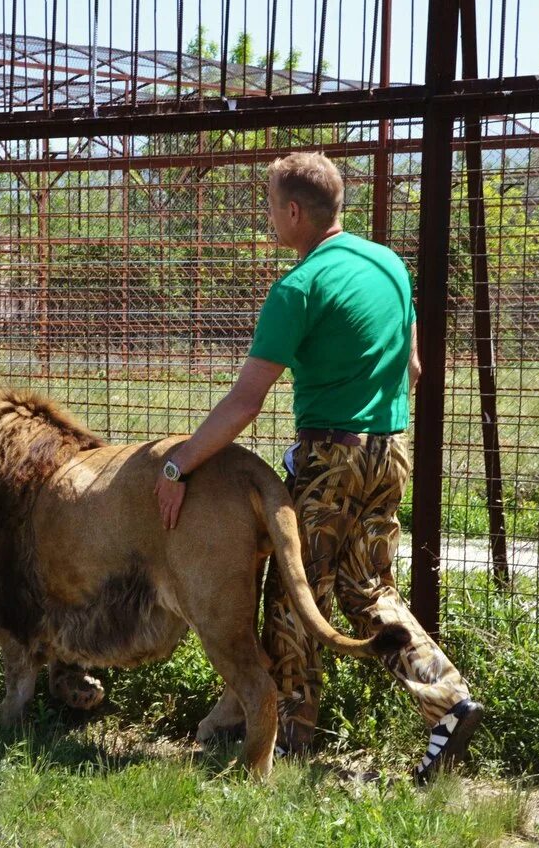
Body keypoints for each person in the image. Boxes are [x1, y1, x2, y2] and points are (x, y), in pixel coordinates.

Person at [153, 151, 483, 781]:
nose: (269, 216)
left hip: (332, 454)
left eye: (271, 206)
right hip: (391, 449)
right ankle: (447, 698)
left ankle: (292, 737)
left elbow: (246, 401)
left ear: (295, 211)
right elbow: (412, 368)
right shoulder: (388, 266)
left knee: (291, 594)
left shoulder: (298, 288)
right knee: (366, 590)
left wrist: (179, 464)